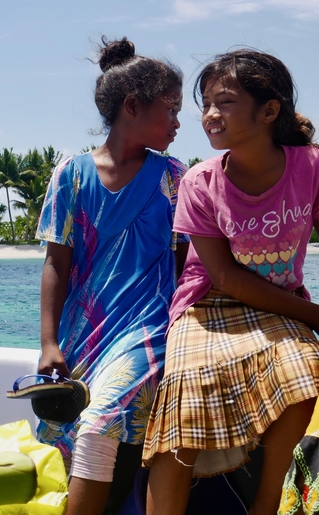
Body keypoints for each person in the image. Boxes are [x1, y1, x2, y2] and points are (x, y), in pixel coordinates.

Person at [143, 48, 319, 515]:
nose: (210, 115)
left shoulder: (310, 168)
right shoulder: (200, 183)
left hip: (278, 303)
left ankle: (264, 507)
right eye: (206, 104)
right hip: (207, 307)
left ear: (269, 110)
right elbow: (222, 275)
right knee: (182, 410)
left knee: (305, 374)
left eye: (224, 102)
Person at [35, 36, 188, 515]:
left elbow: (186, 267)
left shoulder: (175, 179)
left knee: (100, 423)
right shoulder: (70, 175)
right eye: (171, 110)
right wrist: (49, 343)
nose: (180, 124)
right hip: (84, 336)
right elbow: (56, 265)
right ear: (133, 106)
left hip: (148, 331)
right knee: (73, 434)